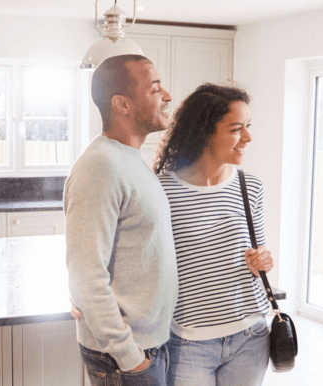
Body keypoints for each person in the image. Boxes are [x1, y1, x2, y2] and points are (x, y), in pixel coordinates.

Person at [64, 54, 178, 386]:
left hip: (146, 347)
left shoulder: (129, 160)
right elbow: (86, 274)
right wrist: (130, 358)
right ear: (122, 104)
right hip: (123, 357)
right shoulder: (100, 166)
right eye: (155, 88)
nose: (167, 95)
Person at [153, 83, 274, 386]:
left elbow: (258, 260)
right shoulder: (161, 191)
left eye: (247, 127)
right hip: (189, 341)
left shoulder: (251, 186)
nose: (247, 137)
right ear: (205, 131)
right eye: (236, 129)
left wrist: (263, 261)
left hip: (251, 335)